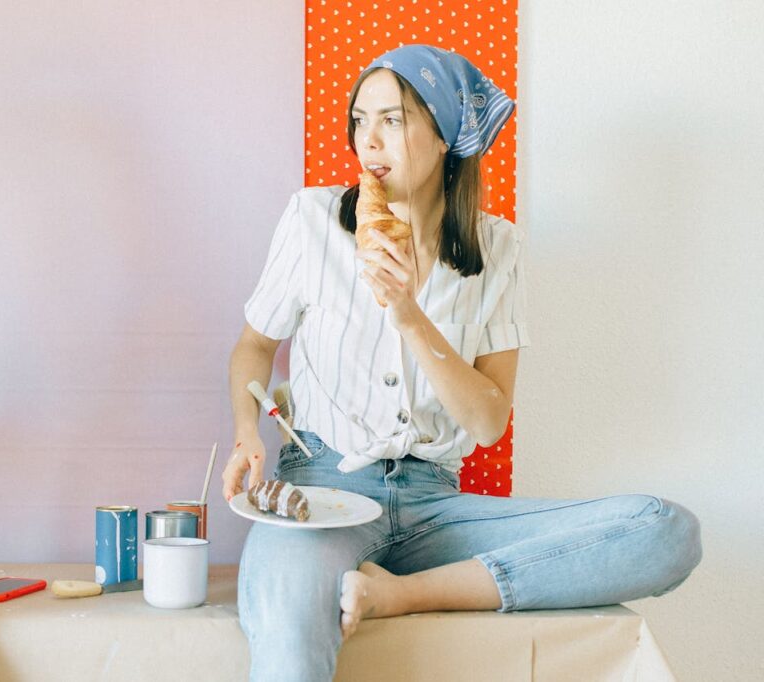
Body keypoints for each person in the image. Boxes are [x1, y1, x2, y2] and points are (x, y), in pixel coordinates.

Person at [221, 45, 702, 682]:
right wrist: (246, 433)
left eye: (392, 120)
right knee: (286, 610)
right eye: (360, 120)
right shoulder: (314, 221)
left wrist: (408, 314)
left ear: (444, 134)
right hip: (322, 493)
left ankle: (400, 593)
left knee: (665, 531)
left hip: (435, 511)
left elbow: (486, 421)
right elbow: (254, 347)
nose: (369, 140)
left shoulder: (497, 249)